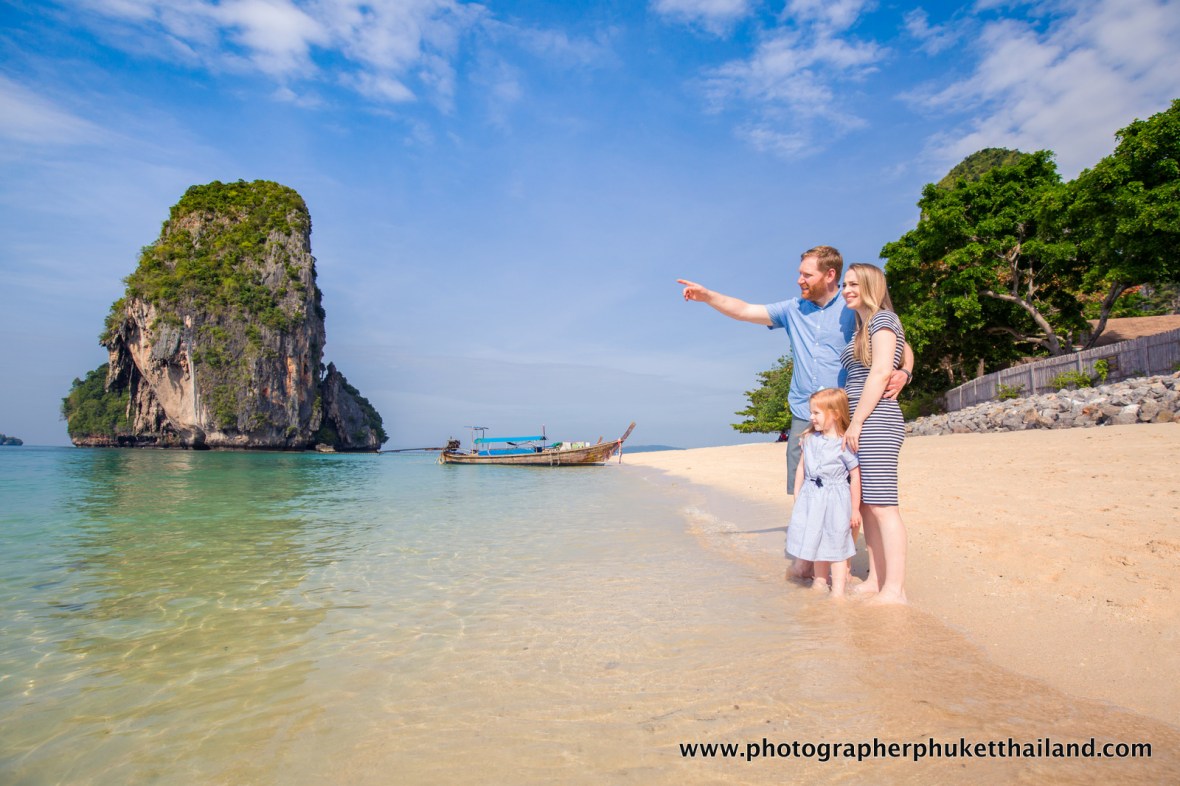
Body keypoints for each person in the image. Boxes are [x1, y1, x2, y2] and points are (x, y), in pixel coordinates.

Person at [678, 246, 912, 578]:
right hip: (806, 413)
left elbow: (899, 347)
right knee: (805, 490)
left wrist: (906, 372)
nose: (799, 279)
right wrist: (708, 296)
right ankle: (808, 558)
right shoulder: (793, 310)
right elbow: (745, 310)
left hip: (845, 414)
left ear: (829, 275)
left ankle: (841, 568)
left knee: (849, 495)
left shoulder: (852, 308)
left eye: (807, 274)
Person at [840, 263, 908, 605]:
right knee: (866, 507)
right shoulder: (863, 326)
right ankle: (876, 579)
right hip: (863, 422)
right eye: (844, 284)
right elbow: (900, 355)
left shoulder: (882, 320)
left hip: (876, 421)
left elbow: (881, 372)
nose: (846, 289)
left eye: (853, 284)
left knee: (883, 506)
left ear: (871, 285)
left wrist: (857, 421)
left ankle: (896, 590)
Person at [785, 388, 862, 598]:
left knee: (836, 541)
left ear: (835, 414)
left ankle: (838, 591)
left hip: (836, 498)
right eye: (811, 412)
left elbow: (855, 476)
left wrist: (855, 509)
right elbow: (801, 468)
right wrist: (797, 495)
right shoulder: (809, 439)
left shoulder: (843, 443)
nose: (811, 417)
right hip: (812, 496)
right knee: (816, 538)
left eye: (816, 413)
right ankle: (819, 582)